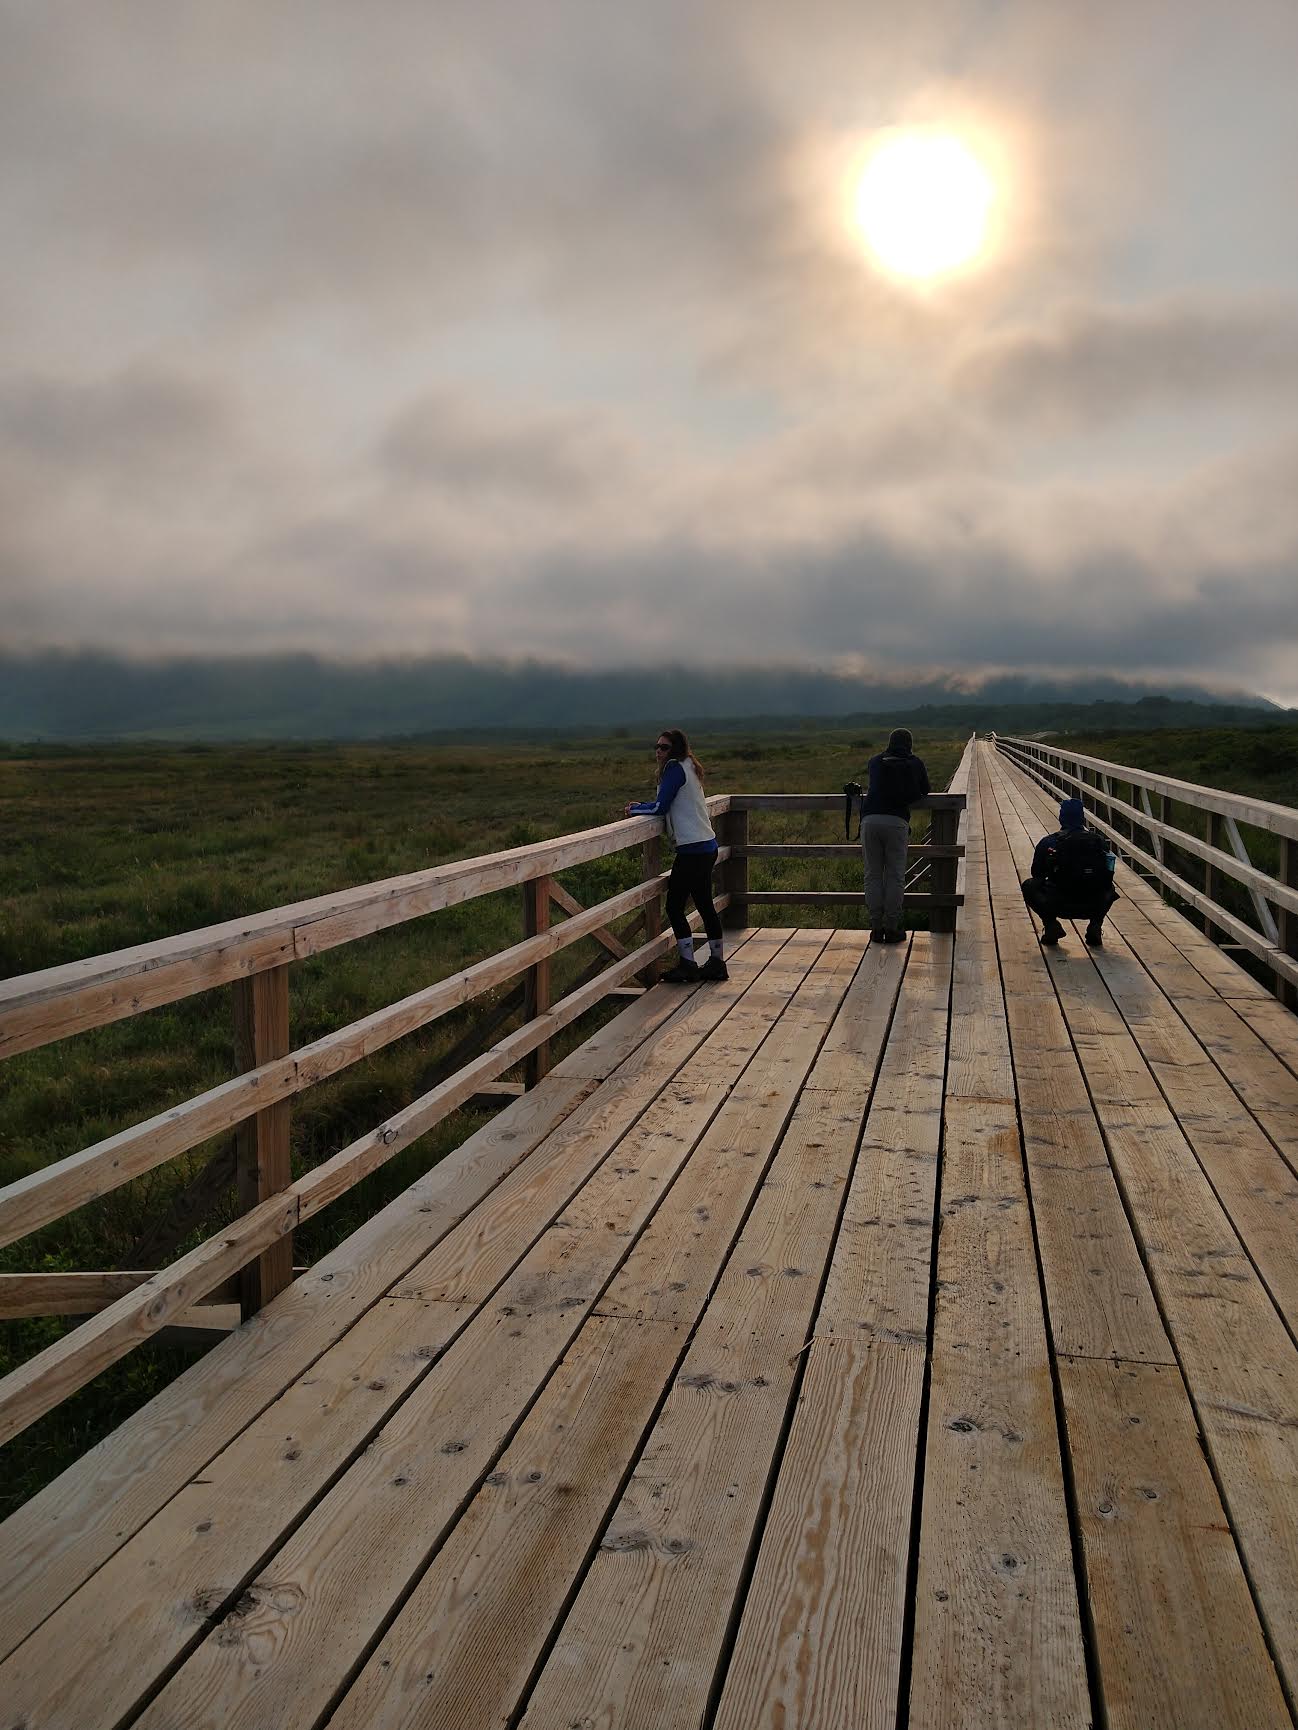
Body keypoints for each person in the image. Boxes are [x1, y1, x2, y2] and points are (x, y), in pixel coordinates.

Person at [625, 728, 727, 982]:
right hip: (707, 845)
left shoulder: (674, 768)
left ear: (676, 749)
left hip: (691, 850)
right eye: (656, 747)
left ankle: (688, 965)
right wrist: (643, 807)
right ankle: (716, 962)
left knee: (674, 906)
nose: (658, 752)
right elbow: (669, 803)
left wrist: (636, 810)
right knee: (704, 904)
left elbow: (661, 807)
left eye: (664, 747)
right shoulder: (690, 764)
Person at [857, 727, 930, 943]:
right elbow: (925, 789)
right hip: (896, 822)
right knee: (895, 876)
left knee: (872, 874)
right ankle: (892, 926)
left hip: (869, 820)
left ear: (890, 742)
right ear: (909, 744)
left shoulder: (876, 761)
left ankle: (875, 927)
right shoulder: (914, 762)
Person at [1022, 797, 1118, 947]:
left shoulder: (1049, 842)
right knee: (1109, 887)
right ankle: (1095, 926)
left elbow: (1037, 874)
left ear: (1061, 818)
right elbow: (1107, 874)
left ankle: (1051, 925)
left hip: (1059, 903)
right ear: (1082, 818)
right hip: (1092, 903)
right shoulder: (1098, 841)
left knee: (1029, 885)